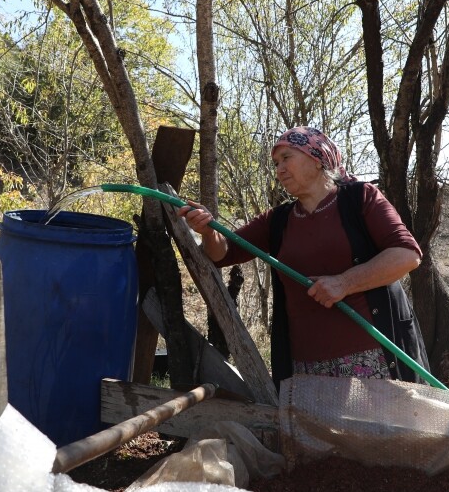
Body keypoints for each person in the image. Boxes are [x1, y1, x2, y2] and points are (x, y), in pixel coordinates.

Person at [181, 126, 430, 386]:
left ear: (317, 158)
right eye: (276, 163)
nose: (279, 169)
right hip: (304, 367)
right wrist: (208, 231)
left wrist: (344, 283)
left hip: (372, 361)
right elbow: (223, 253)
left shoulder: (360, 198)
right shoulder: (277, 221)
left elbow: (407, 254)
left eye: (286, 158)